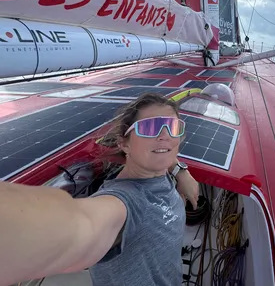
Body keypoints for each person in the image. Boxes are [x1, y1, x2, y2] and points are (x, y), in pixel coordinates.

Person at [0, 92, 200, 286]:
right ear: (124, 143)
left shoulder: (159, 168)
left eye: (172, 127)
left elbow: (165, 149)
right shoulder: (126, 200)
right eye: (149, 128)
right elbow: (83, 223)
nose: (165, 136)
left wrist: (181, 171)